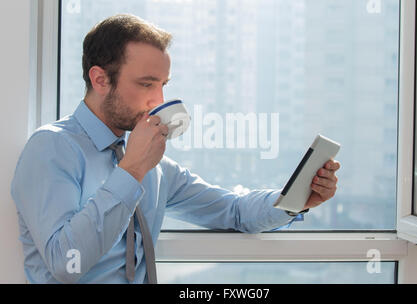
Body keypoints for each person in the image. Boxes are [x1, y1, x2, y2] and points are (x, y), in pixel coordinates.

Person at [11, 14, 340, 284]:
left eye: (163, 85)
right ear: (100, 80)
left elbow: (234, 210)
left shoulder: (151, 164)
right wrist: (131, 171)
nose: (159, 101)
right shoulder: (52, 148)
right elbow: (66, 263)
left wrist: (295, 200)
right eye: (146, 84)